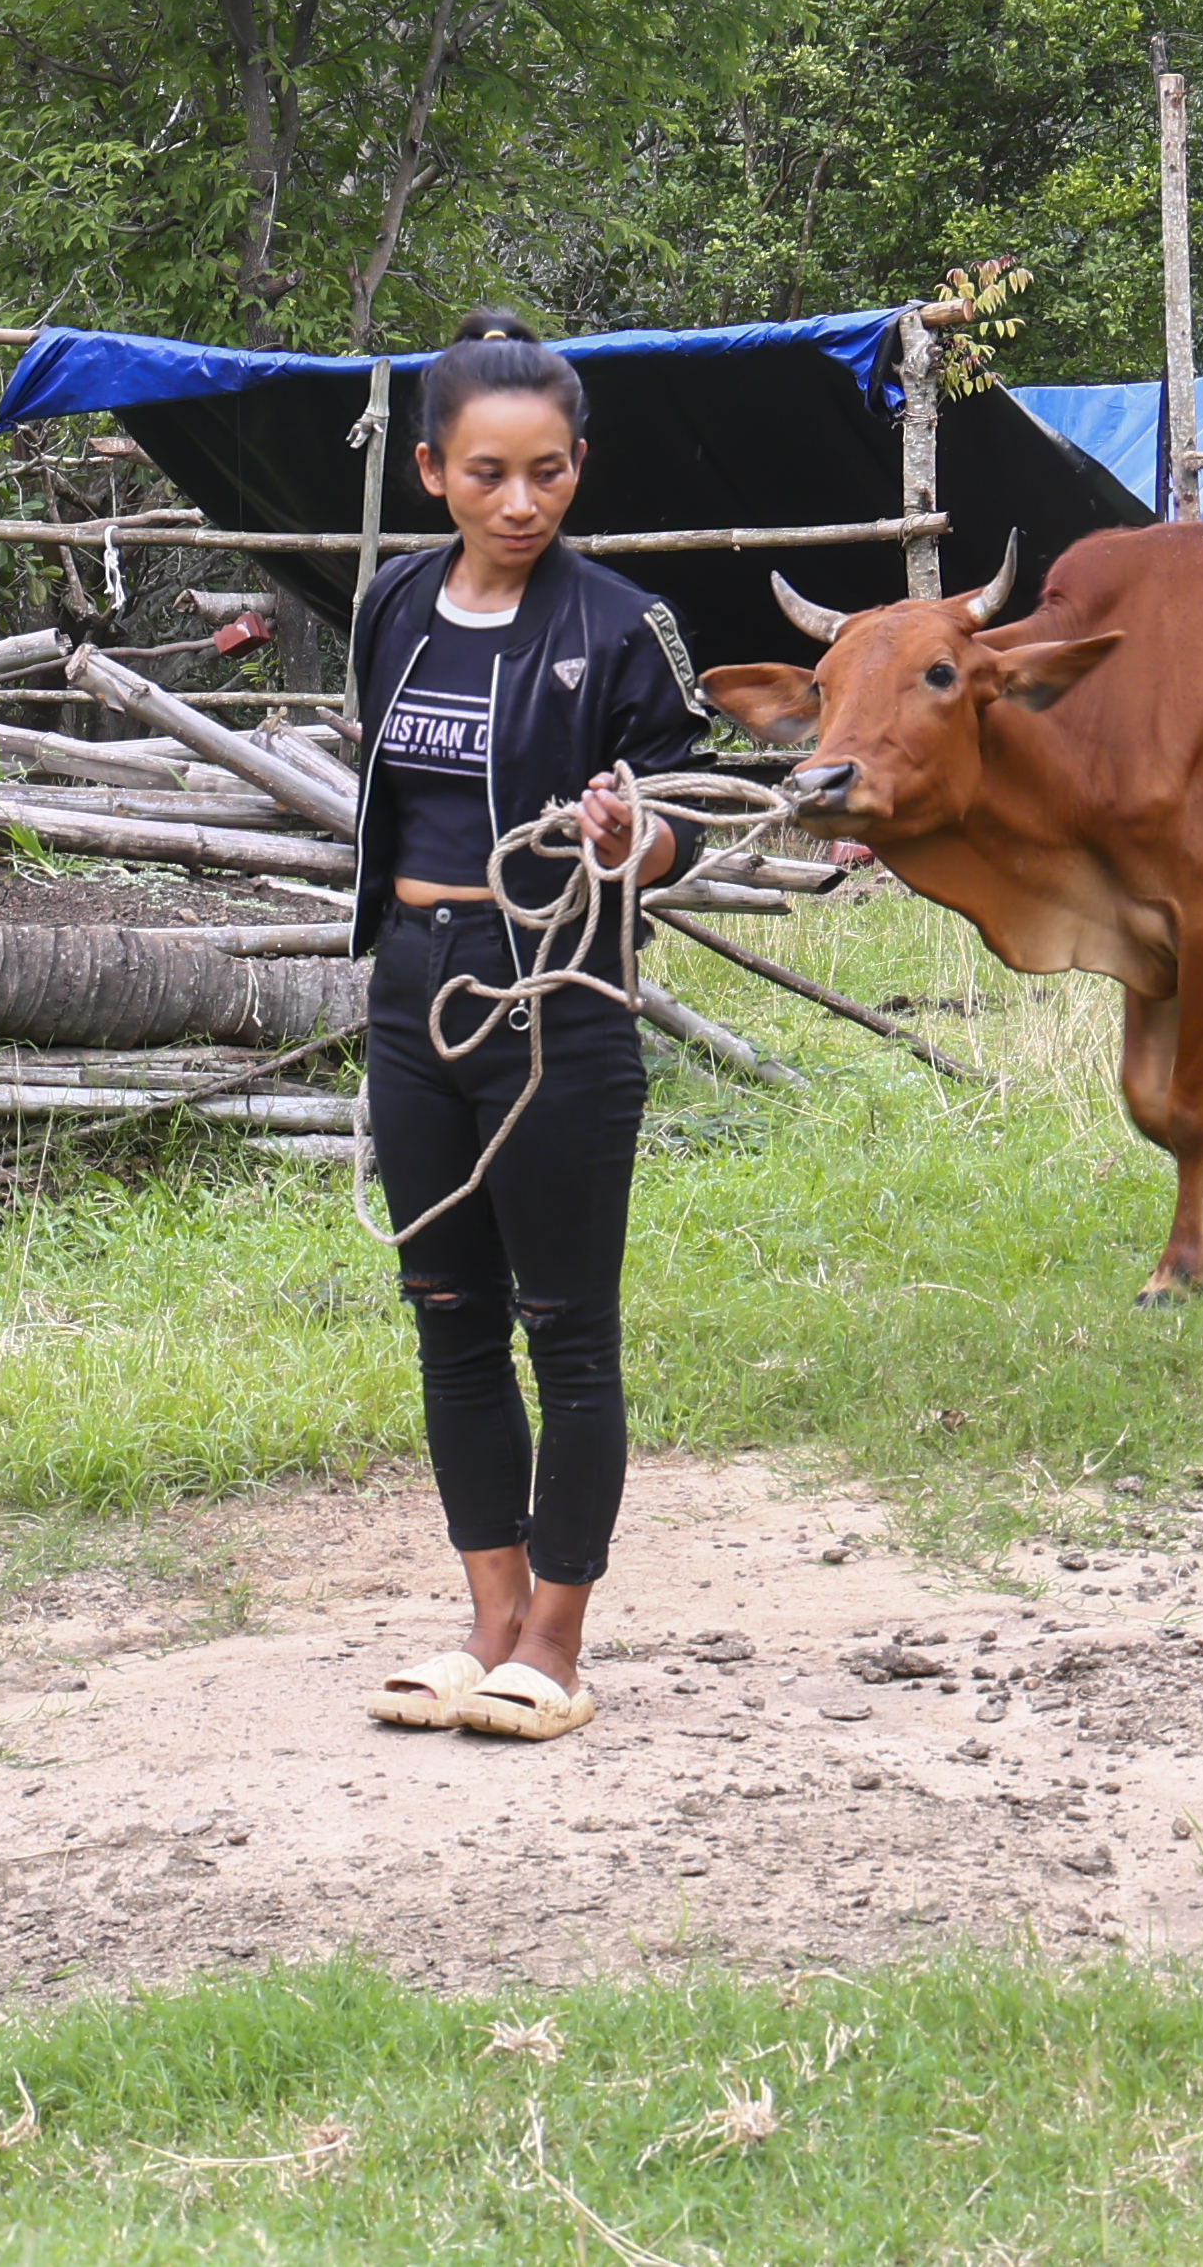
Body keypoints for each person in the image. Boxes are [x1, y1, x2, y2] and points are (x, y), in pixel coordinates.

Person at [353, 308, 709, 1742]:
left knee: (565, 1329)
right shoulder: (389, 606)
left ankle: (558, 1642)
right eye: (489, 474)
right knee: (448, 1319)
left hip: (556, 996)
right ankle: (485, 1623)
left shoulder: (623, 627)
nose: (521, 503)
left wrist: (638, 835)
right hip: (412, 989)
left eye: (549, 474)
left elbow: (699, 813)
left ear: (579, 469)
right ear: (432, 471)